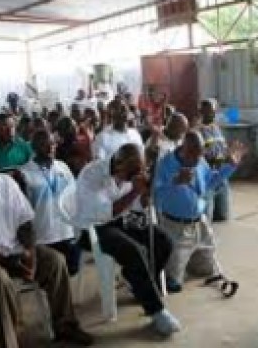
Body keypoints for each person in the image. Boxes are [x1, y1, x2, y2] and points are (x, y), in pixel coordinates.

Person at [0, 140, 94, 348]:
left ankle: (65, 326)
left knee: (55, 261)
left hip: (13, 249)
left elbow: (25, 221)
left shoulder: (6, 183)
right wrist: (4, 261)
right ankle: (10, 344)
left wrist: (29, 252)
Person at [75, 143, 180, 336]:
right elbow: (105, 213)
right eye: (131, 174)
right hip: (93, 227)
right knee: (134, 251)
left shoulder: (129, 173)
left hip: (119, 219)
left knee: (163, 241)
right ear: (119, 164)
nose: (133, 179)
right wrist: (135, 191)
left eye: (138, 173)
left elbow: (136, 207)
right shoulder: (92, 175)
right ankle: (156, 311)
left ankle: (138, 282)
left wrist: (144, 197)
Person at [154, 131, 246, 292]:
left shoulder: (200, 161)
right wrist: (175, 182)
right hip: (176, 227)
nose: (197, 159)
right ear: (184, 148)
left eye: (200, 154)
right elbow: (156, 197)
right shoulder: (165, 164)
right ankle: (171, 262)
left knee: (206, 271)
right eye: (194, 155)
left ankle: (186, 258)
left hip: (199, 224)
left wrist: (230, 166)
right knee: (173, 283)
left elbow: (210, 182)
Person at [20, 130, 80, 275]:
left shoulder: (63, 167)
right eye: (43, 144)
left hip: (67, 231)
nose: (49, 148)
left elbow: (75, 196)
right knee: (52, 274)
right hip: (43, 236)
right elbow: (24, 211)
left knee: (72, 270)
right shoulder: (25, 173)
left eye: (52, 143)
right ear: (33, 147)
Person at [198, 99, 231, 222]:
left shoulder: (216, 128)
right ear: (201, 111)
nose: (212, 114)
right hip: (208, 176)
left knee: (222, 216)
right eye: (208, 111)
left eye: (213, 111)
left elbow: (222, 147)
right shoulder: (198, 130)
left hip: (221, 173)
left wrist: (228, 156)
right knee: (207, 218)